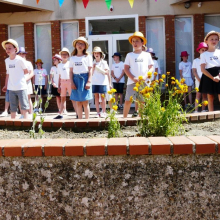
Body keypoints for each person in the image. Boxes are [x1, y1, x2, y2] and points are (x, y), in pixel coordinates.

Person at [123, 31, 154, 118]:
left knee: (141, 101)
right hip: (131, 82)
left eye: (137, 41)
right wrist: (133, 78)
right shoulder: (129, 55)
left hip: (144, 82)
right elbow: (126, 68)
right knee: (128, 100)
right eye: (133, 41)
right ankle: (123, 120)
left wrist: (145, 77)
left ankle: (141, 120)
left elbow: (151, 68)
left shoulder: (147, 55)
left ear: (142, 42)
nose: (135, 43)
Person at [1, 39, 29, 119]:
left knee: (24, 107)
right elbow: (8, 74)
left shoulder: (20, 60)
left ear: (15, 49)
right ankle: (13, 124)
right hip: (11, 88)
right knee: (13, 107)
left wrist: (20, 80)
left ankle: (26, 123)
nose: (7, 50)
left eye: (9, 48)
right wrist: (6, 85)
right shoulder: (7, 61)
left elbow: (26, 71)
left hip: (21, 87)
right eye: (6, 48)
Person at [69, 36, 93, 119]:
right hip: (75, 79)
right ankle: (79, 120)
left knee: (85, 102)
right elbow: (71, 71)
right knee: (78, 102)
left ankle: (87, 120)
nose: (80, 45)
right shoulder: (72, 58)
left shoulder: (88, 57)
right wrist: (71, 82)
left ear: (85, 46)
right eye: (78, 43)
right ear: (75, 45)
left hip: (85, 79)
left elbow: (90, 70)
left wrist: (89, 81)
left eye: (82, 44)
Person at [54, 48, 78, 119]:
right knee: (62, 98)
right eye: (63, 54)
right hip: (63, 82)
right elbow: (59, 76)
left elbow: (73, 73)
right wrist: (59, 86)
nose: (64, 56)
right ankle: (60, 113)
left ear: (68, 55)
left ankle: (77, 113)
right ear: (60, 56)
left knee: (73, 98)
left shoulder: (70, 63)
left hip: (69, 81)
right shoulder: (59, 65)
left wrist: (73, 82)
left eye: (66, 54)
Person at [199, 30, 220, 111]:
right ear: (206, 41)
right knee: (210, 97)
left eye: (216, 39)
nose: (214, 41)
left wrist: (218, 76)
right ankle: (211, 115)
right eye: (211, 39)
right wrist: (212, 78)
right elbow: (203, 69)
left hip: (219, 74)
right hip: (208, 75)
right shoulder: (204, 54)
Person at [92, 46, 110, 118]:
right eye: (95, 53)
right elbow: (91, 73)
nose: (96, 54)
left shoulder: (104, 62)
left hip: (102, 82)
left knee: (103, 97)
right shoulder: (92, 63)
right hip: (94, 82)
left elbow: (106, 72)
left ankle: (104, 112)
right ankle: (98, 112)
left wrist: (98, 68)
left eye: (98, 53)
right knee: (96, 97)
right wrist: (93, 67)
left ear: (100, 54)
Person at [17, 47, 34, 119]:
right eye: (20, 54)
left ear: (25, 54)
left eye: (23, 53)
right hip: (19, 83)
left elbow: (32, 73)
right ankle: (22, 114)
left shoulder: (28, 63)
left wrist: (26, 79)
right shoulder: (16, 63)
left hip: (27, 82)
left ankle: (31, 113)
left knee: (28, 98)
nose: (21, 55)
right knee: (20, 99)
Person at [192, 42, 208, 113]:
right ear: (199, 51)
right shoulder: (195, 60)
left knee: (204, 96)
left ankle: (203, 109)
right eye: (202, 50)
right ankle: (196, 110)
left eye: (205, 50)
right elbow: (194, 71)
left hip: (205, 80)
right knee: (198, 96)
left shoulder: (207, 60)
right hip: (198, 80)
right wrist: (199, 79)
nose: (204, 51)